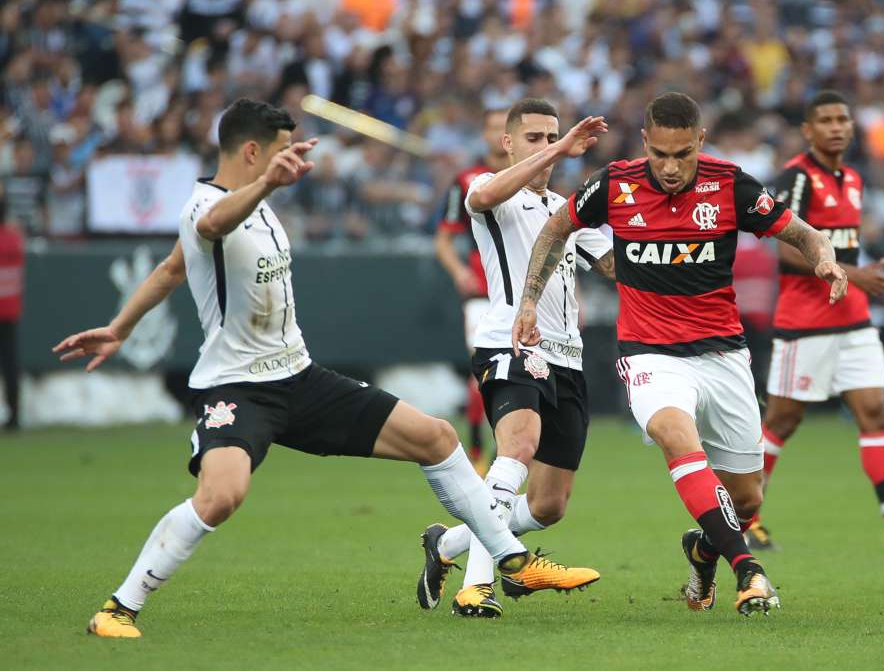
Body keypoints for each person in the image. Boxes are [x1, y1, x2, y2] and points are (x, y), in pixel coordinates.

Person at [52, 98, 595, 638]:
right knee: (222, 496)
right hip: (238, 387)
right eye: (281, 151)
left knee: (436, 437)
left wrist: (120, 327)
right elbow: (211, 226)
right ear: (251, 151)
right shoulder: (205, 204)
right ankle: (120, 607)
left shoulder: (261, 205)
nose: (290, 160)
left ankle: (511, 561)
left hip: (299, 377)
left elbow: (173, 267)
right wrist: (267, 185)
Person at [512, 92, 849, 616]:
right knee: (675, 435)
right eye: (661, 154)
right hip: (650, 354)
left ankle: (702, 547)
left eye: (683, 154)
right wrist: (528, 302)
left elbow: (802, 234)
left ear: (701, 143)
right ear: (645, 142)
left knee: (747, 500)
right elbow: (556, 230)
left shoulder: (731, 184)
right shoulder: (615, 184)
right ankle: (749, 571)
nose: (670, 168)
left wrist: (825, 260)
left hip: (724, 355)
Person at [418, 98, 611, 618]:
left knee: (549, 505)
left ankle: (446, 546)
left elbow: (619, 267)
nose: (548, 148)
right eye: (535, 139)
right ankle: (476, 587)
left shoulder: (569, 211)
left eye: (553, 139)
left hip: (568, 359)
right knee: (517, 448)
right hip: (512, 341)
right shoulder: (489, 188)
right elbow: (480, 196)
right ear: (507, 143)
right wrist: (568, 146)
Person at [749, 90, 884, 552]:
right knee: (782, 419)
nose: (837, 127)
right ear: (808, 130)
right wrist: (852, 271)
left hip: (853, 320)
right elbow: (783, 245)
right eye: (826, 120)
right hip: (805, 322)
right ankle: (746, 517)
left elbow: (841, 242)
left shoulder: (854, 178)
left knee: (875, 411)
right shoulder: (795, 178)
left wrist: (856, 274)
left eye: (843, 119)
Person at [434, 107, 508, 475]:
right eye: (493, 128)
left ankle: (504, 451)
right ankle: (479, 446)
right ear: (485, 134)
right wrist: (458, 270)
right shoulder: (467, 180)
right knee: (485, 369)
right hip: (482, 291)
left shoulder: (530, 176)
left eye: (504, 129)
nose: (499, 136)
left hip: (520, 294)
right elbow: (444, 239)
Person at [0, 195, 24, 430]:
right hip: (10, 309)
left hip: (6, 309)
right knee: (10, 365)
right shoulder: (14, 239)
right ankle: (15, 415)